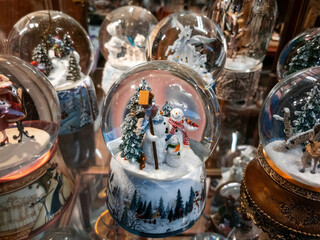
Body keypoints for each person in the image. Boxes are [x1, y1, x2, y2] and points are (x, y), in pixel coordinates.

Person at [0, 74, 25, 146]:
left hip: (12, 110)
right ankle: (5, 136)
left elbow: (9, 104)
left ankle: (5, 137)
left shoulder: (7, 92)